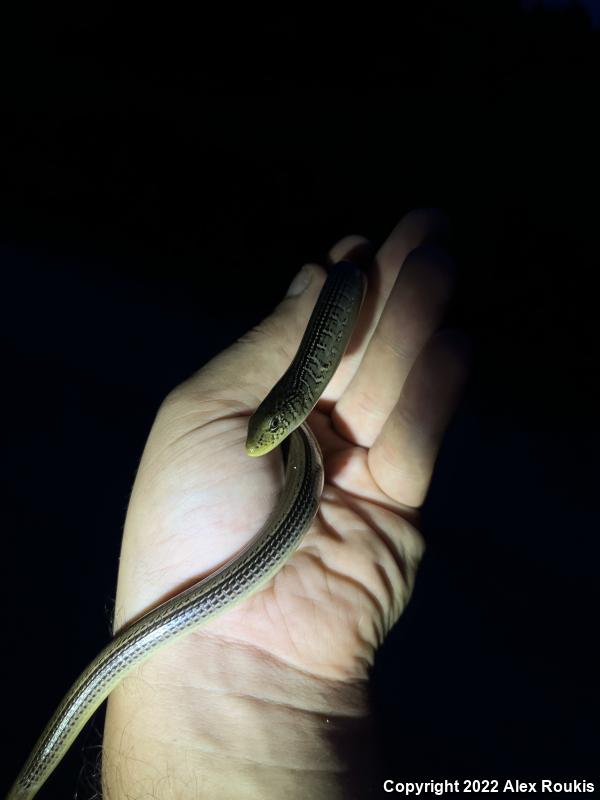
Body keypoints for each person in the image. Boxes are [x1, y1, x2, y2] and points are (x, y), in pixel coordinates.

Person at [101, 208, 470, 798]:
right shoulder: (288, 438)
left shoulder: (297, 425)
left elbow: (302, 376)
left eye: (272, 433)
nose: (264, 442)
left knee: (372, 279)